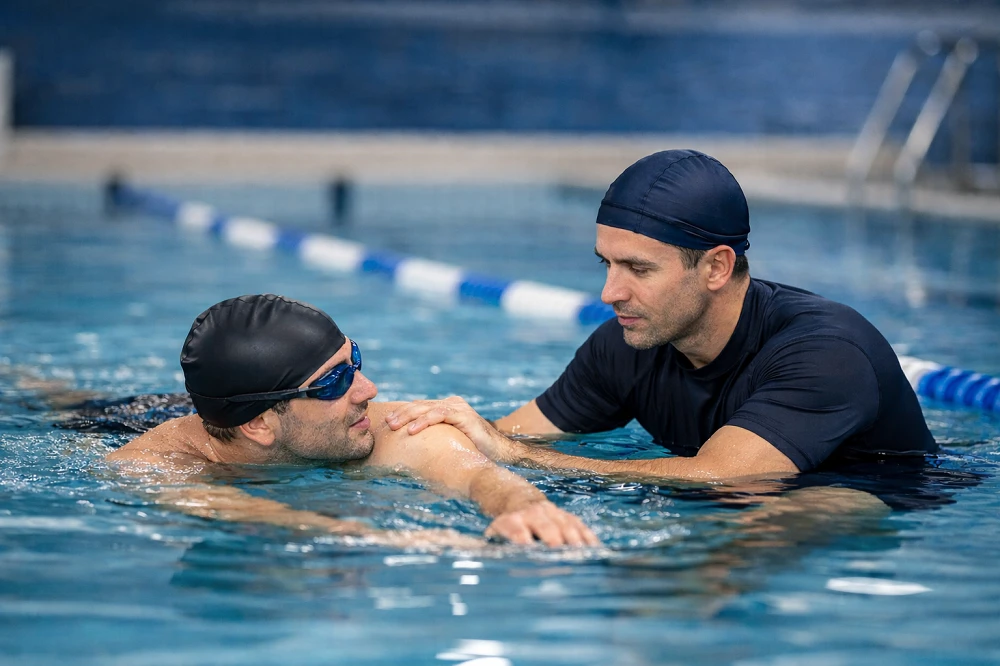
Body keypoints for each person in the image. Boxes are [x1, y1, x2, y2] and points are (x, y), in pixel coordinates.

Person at [386, 149, 938, 480]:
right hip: (729, 488)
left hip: (870, 494)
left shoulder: (825, 352)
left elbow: (719, 476)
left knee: (762, 520)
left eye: (638, 269)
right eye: (606, 264)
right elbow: (510, 436)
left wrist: (509, 454)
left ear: (717, 267)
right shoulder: (627, 342)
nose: (610, 292)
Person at [107, 294, 599, 548]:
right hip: (124, 418)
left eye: (354, 361)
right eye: (333, 382)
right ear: (259, 425)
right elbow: (234, 510)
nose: (369, 391)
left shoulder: (381, 427)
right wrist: (387, 540)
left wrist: (523, 506)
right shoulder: (152, 463)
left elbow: (477, 473)